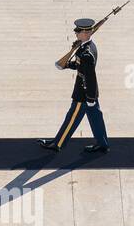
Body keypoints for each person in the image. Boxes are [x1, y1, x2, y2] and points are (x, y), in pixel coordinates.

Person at [38, 18, 110, 154]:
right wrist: (66, 65)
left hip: (84, 93)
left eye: (79, 31)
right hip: (90, 93)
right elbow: (79, 64)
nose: (76, 33)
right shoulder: (84, 47)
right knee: (96, 119)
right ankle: (103, 144)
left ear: (87, 33)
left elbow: (90, 77)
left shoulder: (86, 53)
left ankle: (57, 143)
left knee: (71, 118)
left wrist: (89, 98)